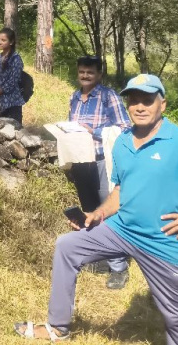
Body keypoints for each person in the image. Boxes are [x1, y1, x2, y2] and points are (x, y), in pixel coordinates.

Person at [14, 74, 178, 344]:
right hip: (122, 231)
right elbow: (120, 190)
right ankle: (57, 327)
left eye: (147, 100)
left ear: (162, 104)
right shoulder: (123, 141)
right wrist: (98, 214)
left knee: (177, 320)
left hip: (165, 242)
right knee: (67, 246)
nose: (140, 107)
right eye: (134, 101)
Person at [66, 54, 133, 289]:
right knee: (89, 211)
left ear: (99, 74)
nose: (85, 76)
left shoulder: (108, 96)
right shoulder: (74, 97)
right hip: (80, 161)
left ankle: (119, 268)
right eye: (82, 72)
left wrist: (93, 131)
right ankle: (101, 259)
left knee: (108, 212)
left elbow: (125, 128)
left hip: (103, 160)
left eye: (90, 72)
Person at [0, 27, 25, 125]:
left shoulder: (16, 59)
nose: (0, 42)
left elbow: (13, 81)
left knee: (13, 130)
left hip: (12, 103)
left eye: (3, 40)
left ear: (11, 42)